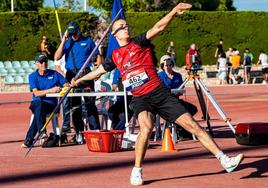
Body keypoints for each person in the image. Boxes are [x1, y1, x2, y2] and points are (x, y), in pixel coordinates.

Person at [71, 3, 243, 186]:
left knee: (193, 126)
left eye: (126, 25)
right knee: (146, 127)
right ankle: (137, 171)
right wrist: (78, 80)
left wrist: (174, 11)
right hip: (140, 98)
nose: (126, 27)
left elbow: (158, 27)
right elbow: (98, 72)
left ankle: (224, 159)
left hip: (160, 93)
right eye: (121, 27)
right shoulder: (115, 56)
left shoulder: (139, 42)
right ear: (115, 34)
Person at [54, 21, 101, 144]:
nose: (73, 36)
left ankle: (95, 131)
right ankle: (79, 132)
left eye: (74, 33)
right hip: (71, 75)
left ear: (78, 30)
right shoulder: (67, 42)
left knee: (90, 103)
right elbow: (57, 57)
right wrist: (64, 40)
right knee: (74, 105)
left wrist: (98, 71)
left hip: (85, 74)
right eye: (71, 34)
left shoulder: (88, 41)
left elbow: (98, 56)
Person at [21, 54, 67, 148]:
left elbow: (66, 84)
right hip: (37, 103)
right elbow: (36, 93)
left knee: (38, 113)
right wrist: (51, 90)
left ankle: (29, 140)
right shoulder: (32, 76)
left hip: (51, 105)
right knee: (39, 104)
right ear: (36, 64)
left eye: (45, 61)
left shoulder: (54, 74)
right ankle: (41, 132)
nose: (44, 64)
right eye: (41, 62)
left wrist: (63, 88)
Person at [158, 54, 197, 139]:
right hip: (164, 102)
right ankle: (179, 131)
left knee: (192, 109)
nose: (168, 67)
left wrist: (178, 91)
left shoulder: (178, 75)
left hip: (176, 100)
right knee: (176, 111)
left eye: (170, 65)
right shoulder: (159, 76)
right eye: (166, 65)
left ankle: (182, 129)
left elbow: (181, 89)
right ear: (162, 66)